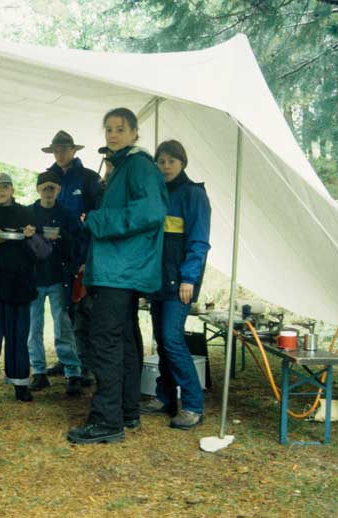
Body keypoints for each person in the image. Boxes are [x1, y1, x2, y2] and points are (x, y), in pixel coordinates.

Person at [66, 108, 168, 445]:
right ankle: (126, 411)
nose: (112, 134)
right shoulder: (125, 165)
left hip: (120, 270)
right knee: (123, 341)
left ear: (135, 132)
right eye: (108, 129)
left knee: (105, 342)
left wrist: (98, 220)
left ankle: (106, 421)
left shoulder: (138, 165)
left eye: (120, 129)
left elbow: (152, 212)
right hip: (120, 269)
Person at [144, 139, 211, 429]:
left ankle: (194, 404)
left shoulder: (193, 194)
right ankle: (165, 396)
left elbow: (199, 241)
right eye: (161, 161)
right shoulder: (156, 194)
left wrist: (189, 278)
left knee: (172, 339)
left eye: (172, 160)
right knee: (162, 339)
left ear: (182, 163)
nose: (166, 166)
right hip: (157, 281)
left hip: (180, 282)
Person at [0, 172, 52, 403]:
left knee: (18, 337)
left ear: (13, 189)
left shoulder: (29, 215)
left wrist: (31, 237)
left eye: (6, 186)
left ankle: (20, 386)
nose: (2, 190)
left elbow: (45, 251)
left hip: (21, 286)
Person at [41, 130, 101, 387]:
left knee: (83, 311)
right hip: (54, 258)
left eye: (64, 148)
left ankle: (85, 365)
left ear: (74, 151)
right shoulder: (48, 178)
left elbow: (97, 220)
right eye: (56, 149)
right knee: (63, 310)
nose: (60, 153)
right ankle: (68, 360)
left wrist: (89, 257)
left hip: (81, 255)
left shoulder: (88, 179)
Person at [27, 170, 84, 395]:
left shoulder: (67, 214)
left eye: (52, 188)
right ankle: (39, 372)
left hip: (59, 278)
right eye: (45, 188)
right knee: (34, 327)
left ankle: (73, 372)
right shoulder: (28, 212)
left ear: (59, 190)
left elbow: (79, 243)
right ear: (38, 189)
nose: (48, 192)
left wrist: (61, 237)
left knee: (63, 326)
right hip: (34, 278)